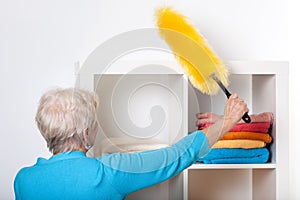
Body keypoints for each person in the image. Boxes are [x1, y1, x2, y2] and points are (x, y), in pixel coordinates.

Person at [14, 88, 248, 200]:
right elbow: (177, 156)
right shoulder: (109, 172)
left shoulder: (23, 181)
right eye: (94, 122)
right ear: (85, 132)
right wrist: (228, 120)